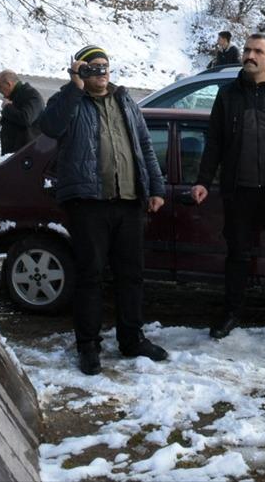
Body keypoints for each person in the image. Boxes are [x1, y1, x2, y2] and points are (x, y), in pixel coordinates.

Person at [37, 45, 169, 375]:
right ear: (80, 71)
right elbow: (50, 127)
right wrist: (73, 87)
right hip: (88, 204)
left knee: (131, 275)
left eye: (103, 67)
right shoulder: (68, 101)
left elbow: (144, 146)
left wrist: (156, 188)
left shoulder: (125, 101)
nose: (100, 73)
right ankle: (88, 346)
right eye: (91, 68)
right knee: (90, 277)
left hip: (129, 202)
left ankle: (131, 338)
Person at [191, 33, 265, 348]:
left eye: (257, 51)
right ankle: (231, 314)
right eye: (246, 49)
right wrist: (203, 180)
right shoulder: (228, 95)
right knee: (237, 256)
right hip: (239, 191)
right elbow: (214, 141)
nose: (249, 55)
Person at [0, 70, 45, 155]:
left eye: (0, 87)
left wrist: (7, 107)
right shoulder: (15, 95)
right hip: (14, 153)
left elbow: (26, 118)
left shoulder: (32, 96)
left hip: (25, 154)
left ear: (8, 84)